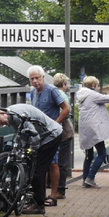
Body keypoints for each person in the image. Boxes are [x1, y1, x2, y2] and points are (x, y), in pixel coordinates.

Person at [0, 104, 62, 215]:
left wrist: (32, 150)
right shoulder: (11, 115)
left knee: (38, 171)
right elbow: (21, 134)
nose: (0, 125)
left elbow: (34, 137)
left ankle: (39, 205)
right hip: (44, 135)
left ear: (2, 113)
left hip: (51, 135)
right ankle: (34, 198)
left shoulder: (17, 116)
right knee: (34, 166)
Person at [26, 65, 70, 206]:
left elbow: (66, 109)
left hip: (52, 134)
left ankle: (54, 195)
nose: (35, 81)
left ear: (43, 77)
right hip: (38, 134)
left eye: (37, 78)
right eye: (32, 79)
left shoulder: (52, 90)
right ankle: (41, 195)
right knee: (40, 164)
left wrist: (56, 123)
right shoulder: (33, 92)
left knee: (53, 163)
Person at [75, 76, 109, 188]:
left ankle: (85, 180)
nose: (99, 87)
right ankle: (90, 178)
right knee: (102, 154)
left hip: (85, 130)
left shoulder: (82, 95)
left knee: (88, 155)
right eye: (98, 85)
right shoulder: (92, 95)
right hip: (94, 130)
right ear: (93, 85)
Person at [52, 73, 76, 199]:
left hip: (59, 131)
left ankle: (55, 187)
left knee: (56, 160)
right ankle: (60, 189)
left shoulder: (54, 93)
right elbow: (66, 112)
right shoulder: (62, 95)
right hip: (65, 131)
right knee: (62, 161)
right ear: (64, 84)